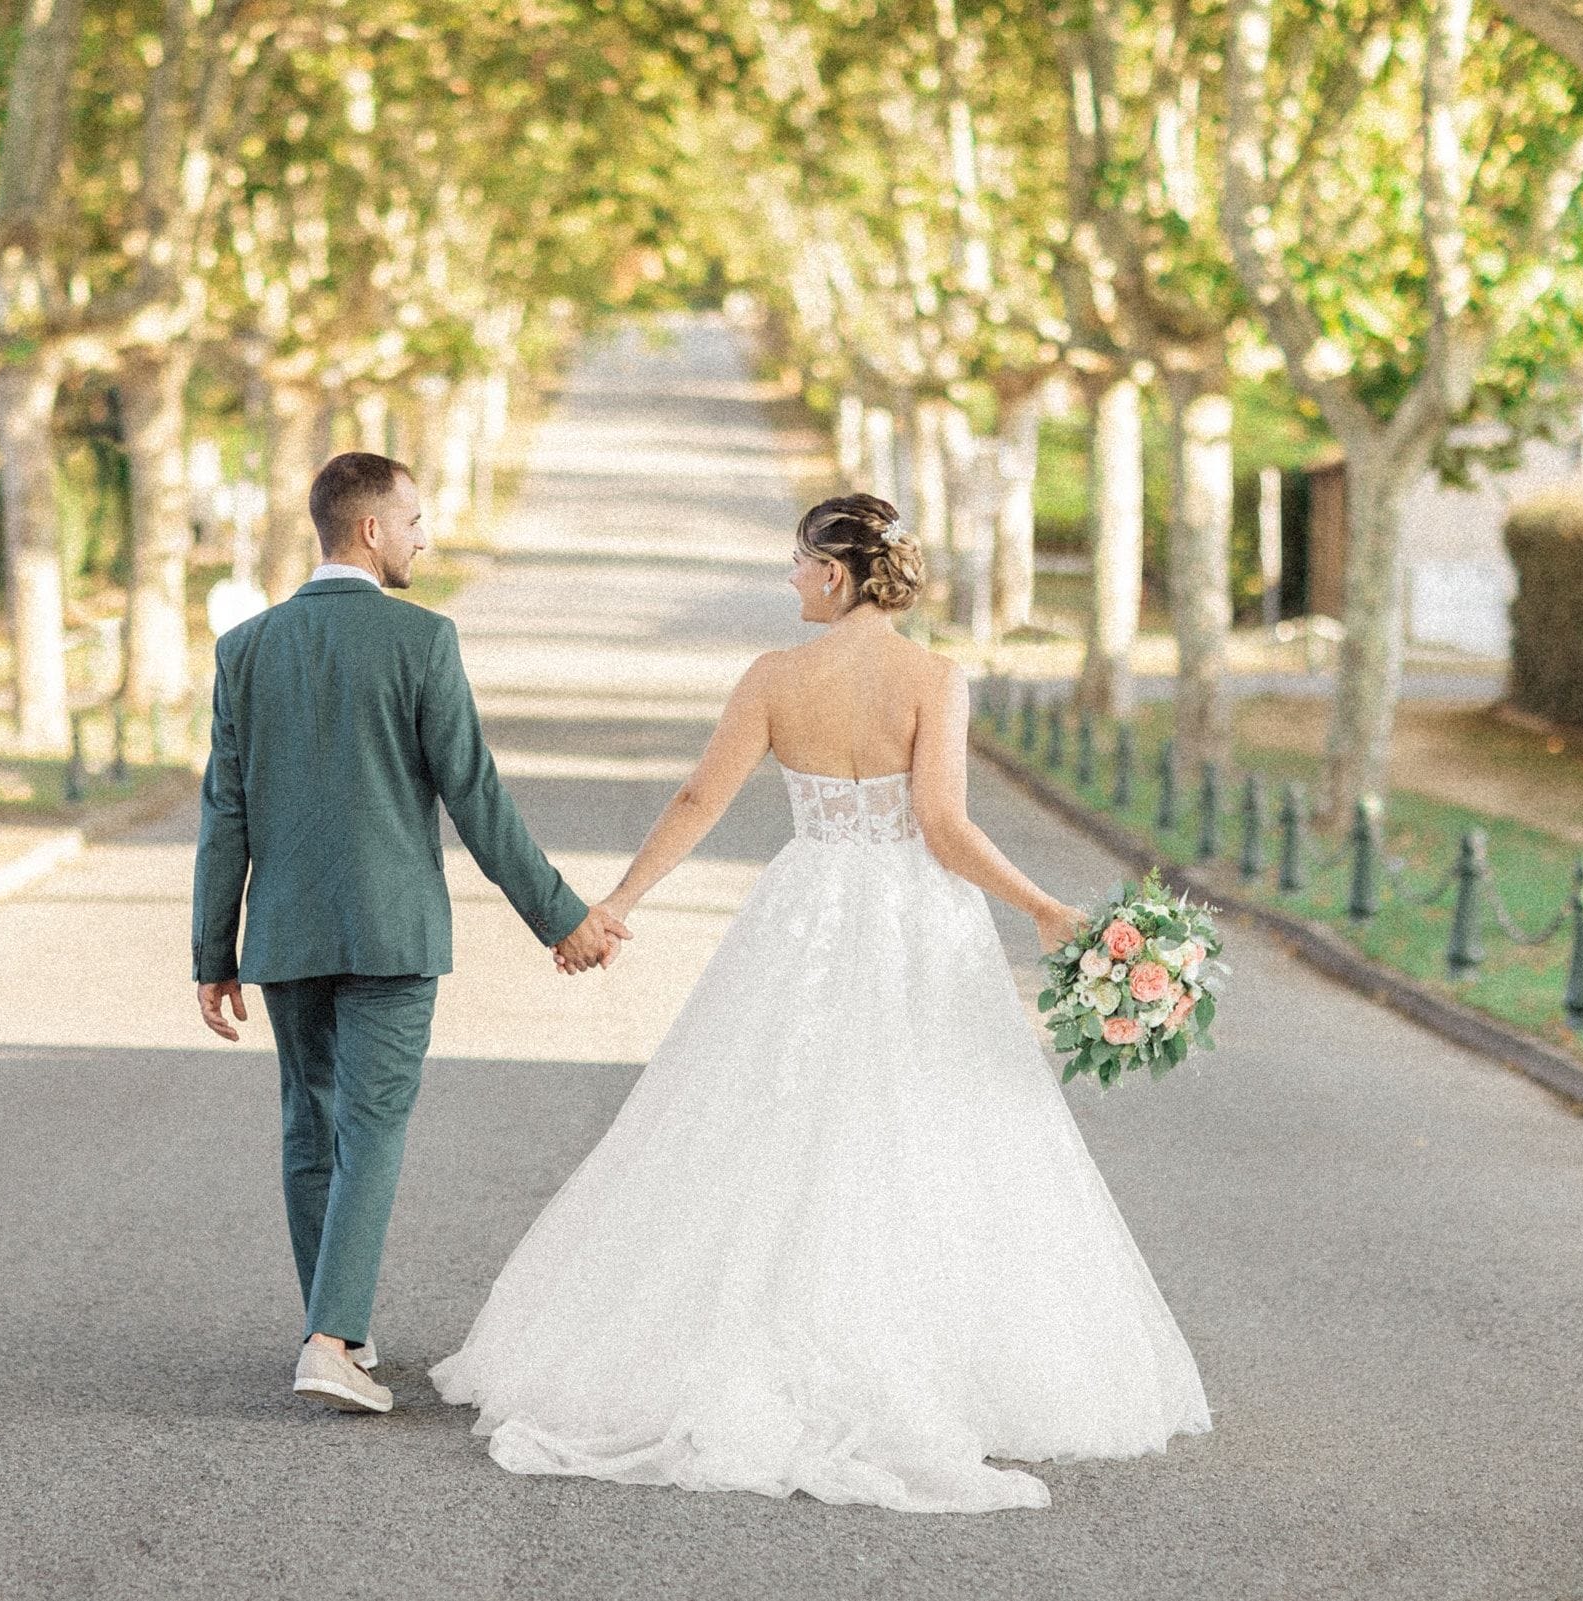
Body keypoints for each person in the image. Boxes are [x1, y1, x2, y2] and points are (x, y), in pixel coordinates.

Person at [431, 493, 1212, 1512]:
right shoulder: (933, 677)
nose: (792, 579)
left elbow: (698, 801)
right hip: (917, 922)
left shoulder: (774, 678)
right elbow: (940, 823)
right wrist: (1041, 906)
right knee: (929, 1122)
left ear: (837, 575)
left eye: (800, 563)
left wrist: (618, 900)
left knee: (766, 1112)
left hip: (806, 912)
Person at [192, 451, 631, 1416]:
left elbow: (226, 810)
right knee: (371, 1129)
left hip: (284, 933)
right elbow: (473, 795)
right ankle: (332, 1338)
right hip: (392, 933)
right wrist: (564, 918)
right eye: (416, 521)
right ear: (370, 531)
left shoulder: (246, 648)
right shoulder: (423, 642)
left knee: (310, 1127)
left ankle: (335, 1320)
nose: (425, 538)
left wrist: (211, 953)